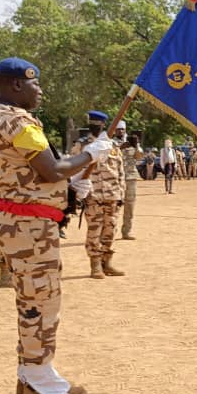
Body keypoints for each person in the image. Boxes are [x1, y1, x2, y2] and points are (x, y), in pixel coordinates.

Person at [0, 57, 113, 394]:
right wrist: (88, 156)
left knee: (32, 300)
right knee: (42, 303)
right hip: (29, 228)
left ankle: (30, 376)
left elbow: (36, 175)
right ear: (15, 85)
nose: (39, 90)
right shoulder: (15, 121)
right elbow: (52, 168)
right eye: (34, 83)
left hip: (24, 223)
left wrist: (71, 187)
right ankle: (41, 379)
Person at [83, 110, 126, 279]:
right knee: (94, 231)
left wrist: (121, 194)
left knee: (110, 230)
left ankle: (106, 263)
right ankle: (95, 265)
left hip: (113, 195)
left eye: (98, 125)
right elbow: (76, 171)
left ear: (103, 126)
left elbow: (120, 171)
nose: (95, 127)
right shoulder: (83, 146)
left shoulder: (113, 147)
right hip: (93, 196)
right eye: (92, 124)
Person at [117, 123, 142, 240]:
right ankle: (109, 232)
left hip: (131, 177)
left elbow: (139, 157)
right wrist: (120, 147)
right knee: (114, 206)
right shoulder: (111, 143)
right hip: (116, 178)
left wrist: (136, 145)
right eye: (118, 129)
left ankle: (127, 231)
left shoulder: (133, 141)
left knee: (130, 205)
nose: (120, 131)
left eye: (122, 129)